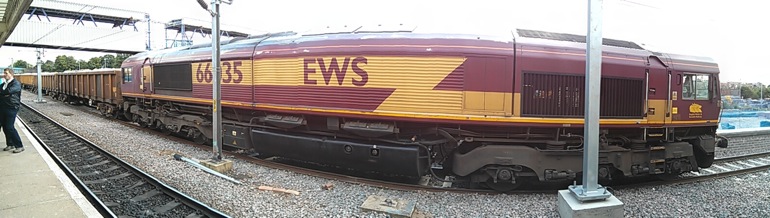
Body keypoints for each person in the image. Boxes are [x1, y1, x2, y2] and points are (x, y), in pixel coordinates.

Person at [1, 68, 23, 153]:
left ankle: (19, 145)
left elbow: (9, 91)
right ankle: (10, 144)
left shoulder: (16, 84)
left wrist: (4, 93)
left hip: (12, 107)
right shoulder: (4, 84)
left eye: (6, 73)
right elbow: (5, 93)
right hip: (3, 107)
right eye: (4, 73)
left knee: (10, 127)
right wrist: (4, 94)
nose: (4, 75)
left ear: (11, 74)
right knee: (5, 127)